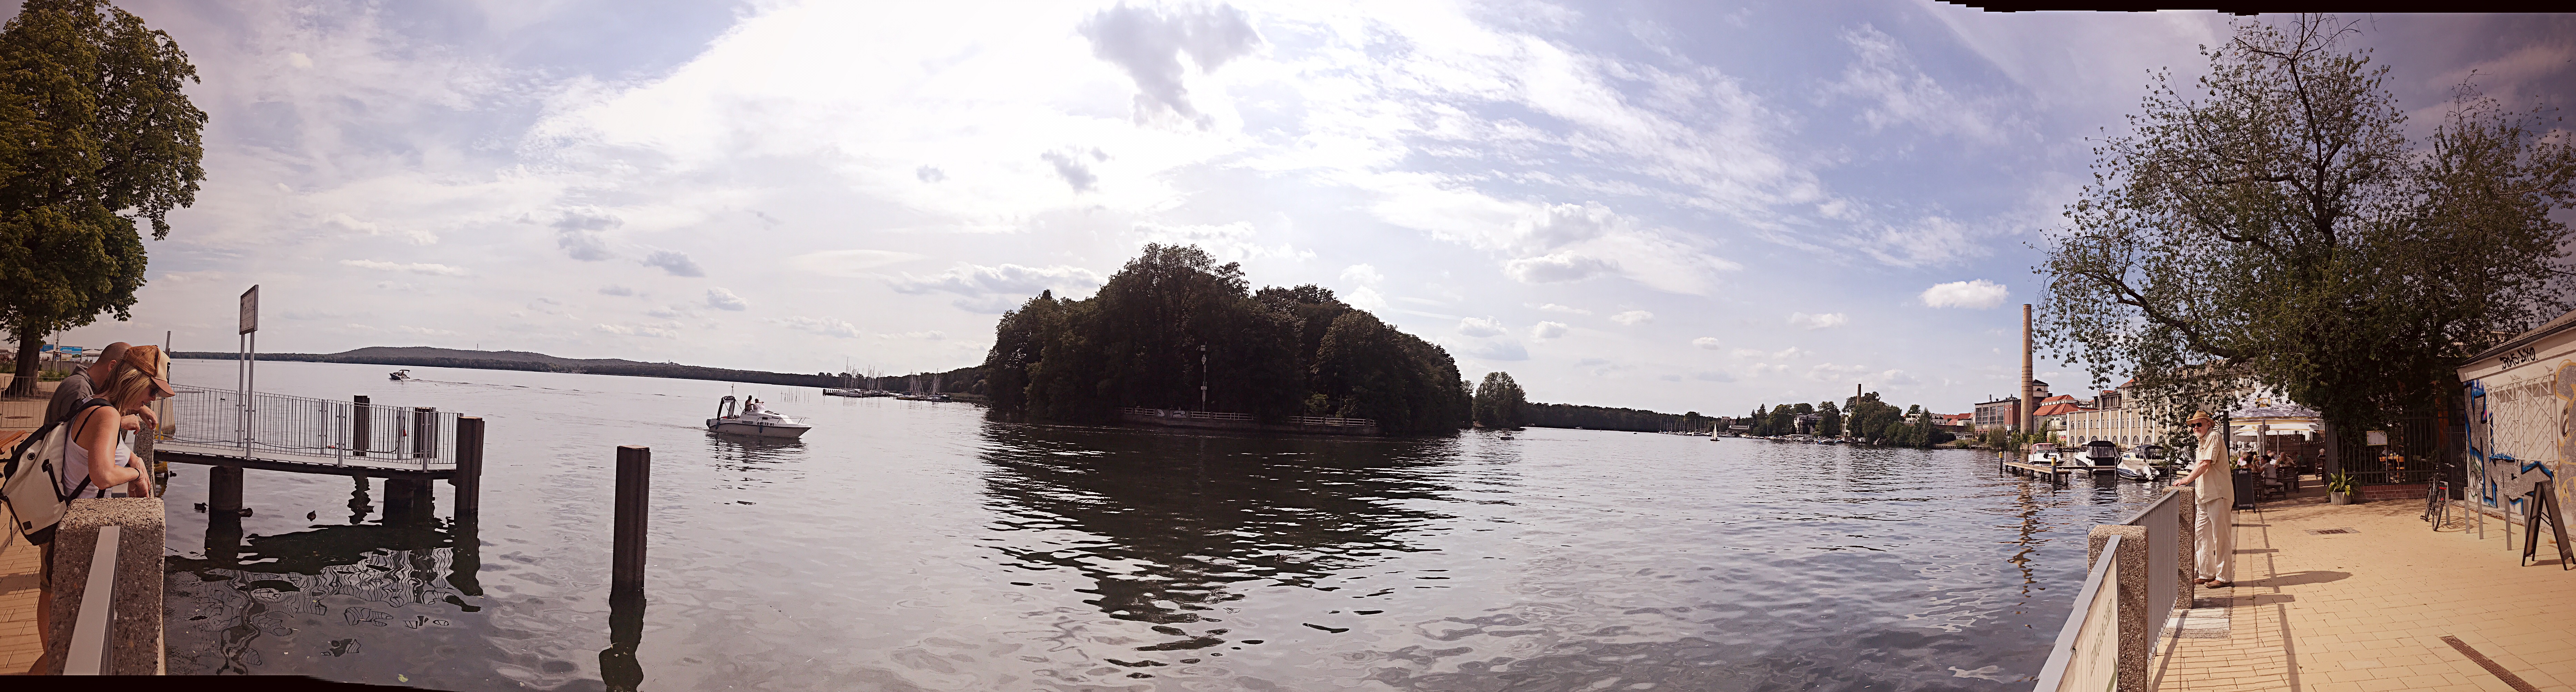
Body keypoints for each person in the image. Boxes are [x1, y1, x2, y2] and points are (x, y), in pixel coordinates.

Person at [2173, 411, 2234, 588]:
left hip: (2218, 494)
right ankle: (2207, 573)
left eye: (2199, 424)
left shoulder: (2214, 437)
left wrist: (2186, 480)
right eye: (2193, 425)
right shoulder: (2202, 442)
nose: (2195, 428)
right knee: (2201, 534)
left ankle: (2224, 577)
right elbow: (2200, 466)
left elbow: (2204, 464)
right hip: (2204, 496)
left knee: (2221, 537)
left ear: (2209, 424)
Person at [41, 341, 154, 434]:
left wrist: (139, 407)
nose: (130, 381)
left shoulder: (92, 387)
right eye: (127, 373)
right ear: (112, 367)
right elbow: (75, 435)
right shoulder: (80, 390)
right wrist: (119, 422)